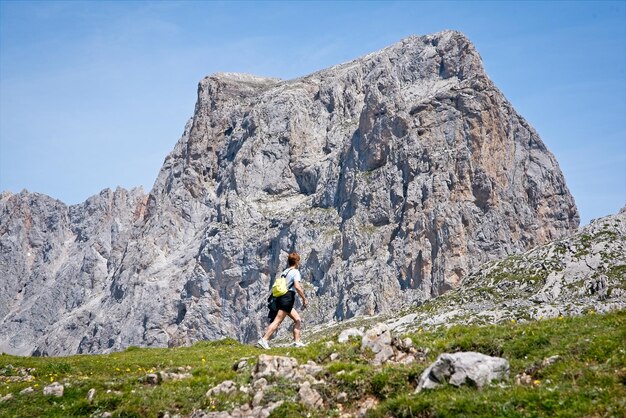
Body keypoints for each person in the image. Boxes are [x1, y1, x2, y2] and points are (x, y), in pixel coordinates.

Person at [257, 252, 308, 349]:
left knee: (297, 319)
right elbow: (297, 286)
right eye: (298, 261)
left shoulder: (284, 272)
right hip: (287, 298)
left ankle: (297, 342)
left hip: (281, 298)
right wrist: (304, 298)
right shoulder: (295, 272)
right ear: (297, 261)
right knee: (278, 321)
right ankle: (264, 340)